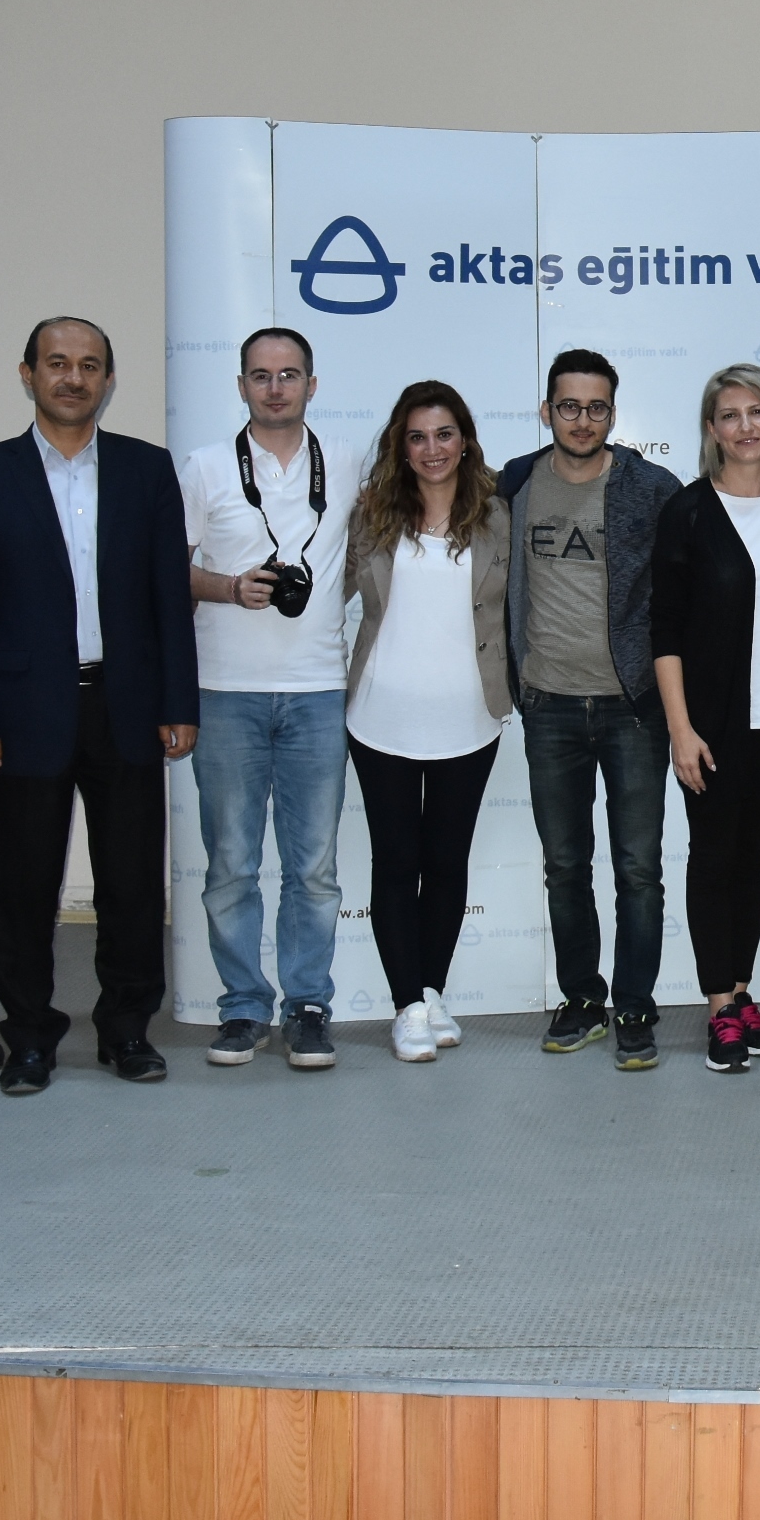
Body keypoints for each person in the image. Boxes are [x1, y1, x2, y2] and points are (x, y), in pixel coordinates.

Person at [0, 317, 199, 1097]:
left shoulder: (145, 470)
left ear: (108, 380)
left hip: (127, 707)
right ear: (28, 374)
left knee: (131, 885)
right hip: (23, 714)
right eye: (57, 363)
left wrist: (178, 701)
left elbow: (168, 597)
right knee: (22, 888)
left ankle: (126, 1031)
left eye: (90, 365)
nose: (73, 377)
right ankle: (28, 1037)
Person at [495, 349, 681, 1070]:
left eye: (596, 407)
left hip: (633, 710)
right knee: (565, 865)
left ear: (612, 413)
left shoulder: (651, 488)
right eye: (568, 406)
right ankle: (581, 998)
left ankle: (634, 1004)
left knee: (638, 868)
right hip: (548, 707)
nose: (582, 420)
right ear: (547, 411)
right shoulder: (515, 483)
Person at [180, 327, 361, 1071]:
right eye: (261, 375)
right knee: (231, 864)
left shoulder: (347, 461)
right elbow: (166, 570)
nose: (275, 388)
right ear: (241, 385)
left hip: (318, 692)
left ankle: (308, 1005)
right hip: (226, 693)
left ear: (312, 385)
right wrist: (229, 587)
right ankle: (243, 1007)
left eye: (289, 375)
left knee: (313, 868)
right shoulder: (204, 466)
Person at [651, 364, 760, 1073]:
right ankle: (719, 1005)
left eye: (758, 412)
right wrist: (680, 730)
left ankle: (743, 992)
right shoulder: (687, 512)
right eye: (730, 415)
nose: (745, 426)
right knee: (714, 857)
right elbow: (664, 632)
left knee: (754, 857)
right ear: (711, 429)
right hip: (713, 727)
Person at [344, 382, 511, 1064]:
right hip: (380, 716)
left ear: (465, 440)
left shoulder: (497, 515)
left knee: (446, 863)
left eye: (444, 434)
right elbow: (331, 593)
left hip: (470, 718)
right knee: (395, 862)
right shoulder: (373, 514)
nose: (432, 449)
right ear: (400, 446)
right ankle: (405, 1006)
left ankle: (432, 992)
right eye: (417, 437)